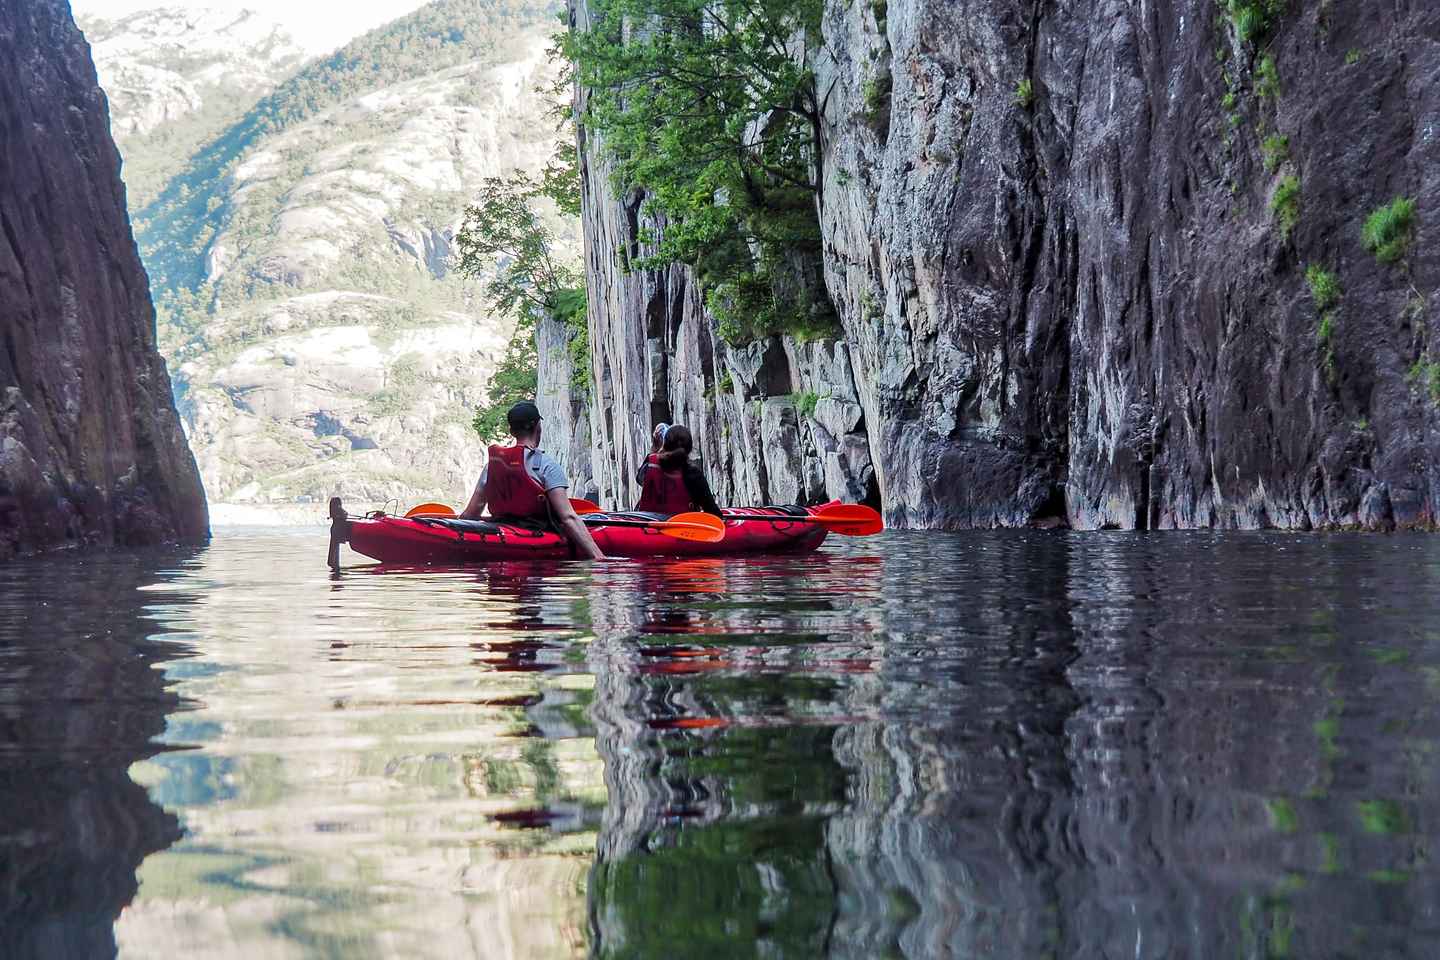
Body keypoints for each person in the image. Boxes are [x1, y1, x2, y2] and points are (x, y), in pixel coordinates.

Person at [460, 400, 607, 560]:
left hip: (501, 535)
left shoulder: (492, 467)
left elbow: (471, 513)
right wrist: (600, 558)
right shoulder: (547, 466)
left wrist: (453, 530)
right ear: (538, 426)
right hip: (540, 539)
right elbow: (568, 517)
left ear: (511, 430)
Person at [634, 424, 723, 517]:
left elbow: (640, 480)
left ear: (664, 445)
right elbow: (712, 511)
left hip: (647, 525)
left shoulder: (649, 466)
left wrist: (655, 447)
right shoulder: (694, 475)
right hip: (682, 527)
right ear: (689, 449)